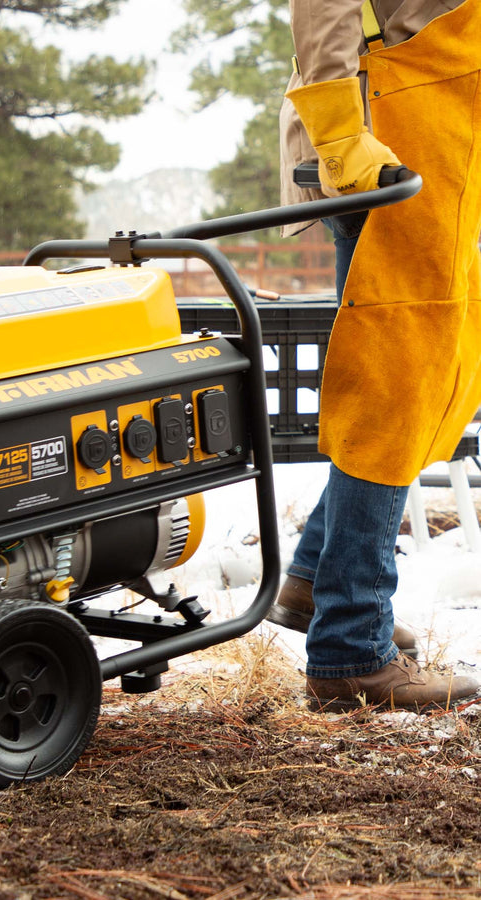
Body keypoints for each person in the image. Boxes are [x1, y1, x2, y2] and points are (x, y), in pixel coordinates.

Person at [268, 0, 481, 711]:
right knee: (393, 388)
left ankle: (313, 582)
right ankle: (352, 649)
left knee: (426, 383)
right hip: (389, 140)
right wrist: (340, 137)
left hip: (443, 138)